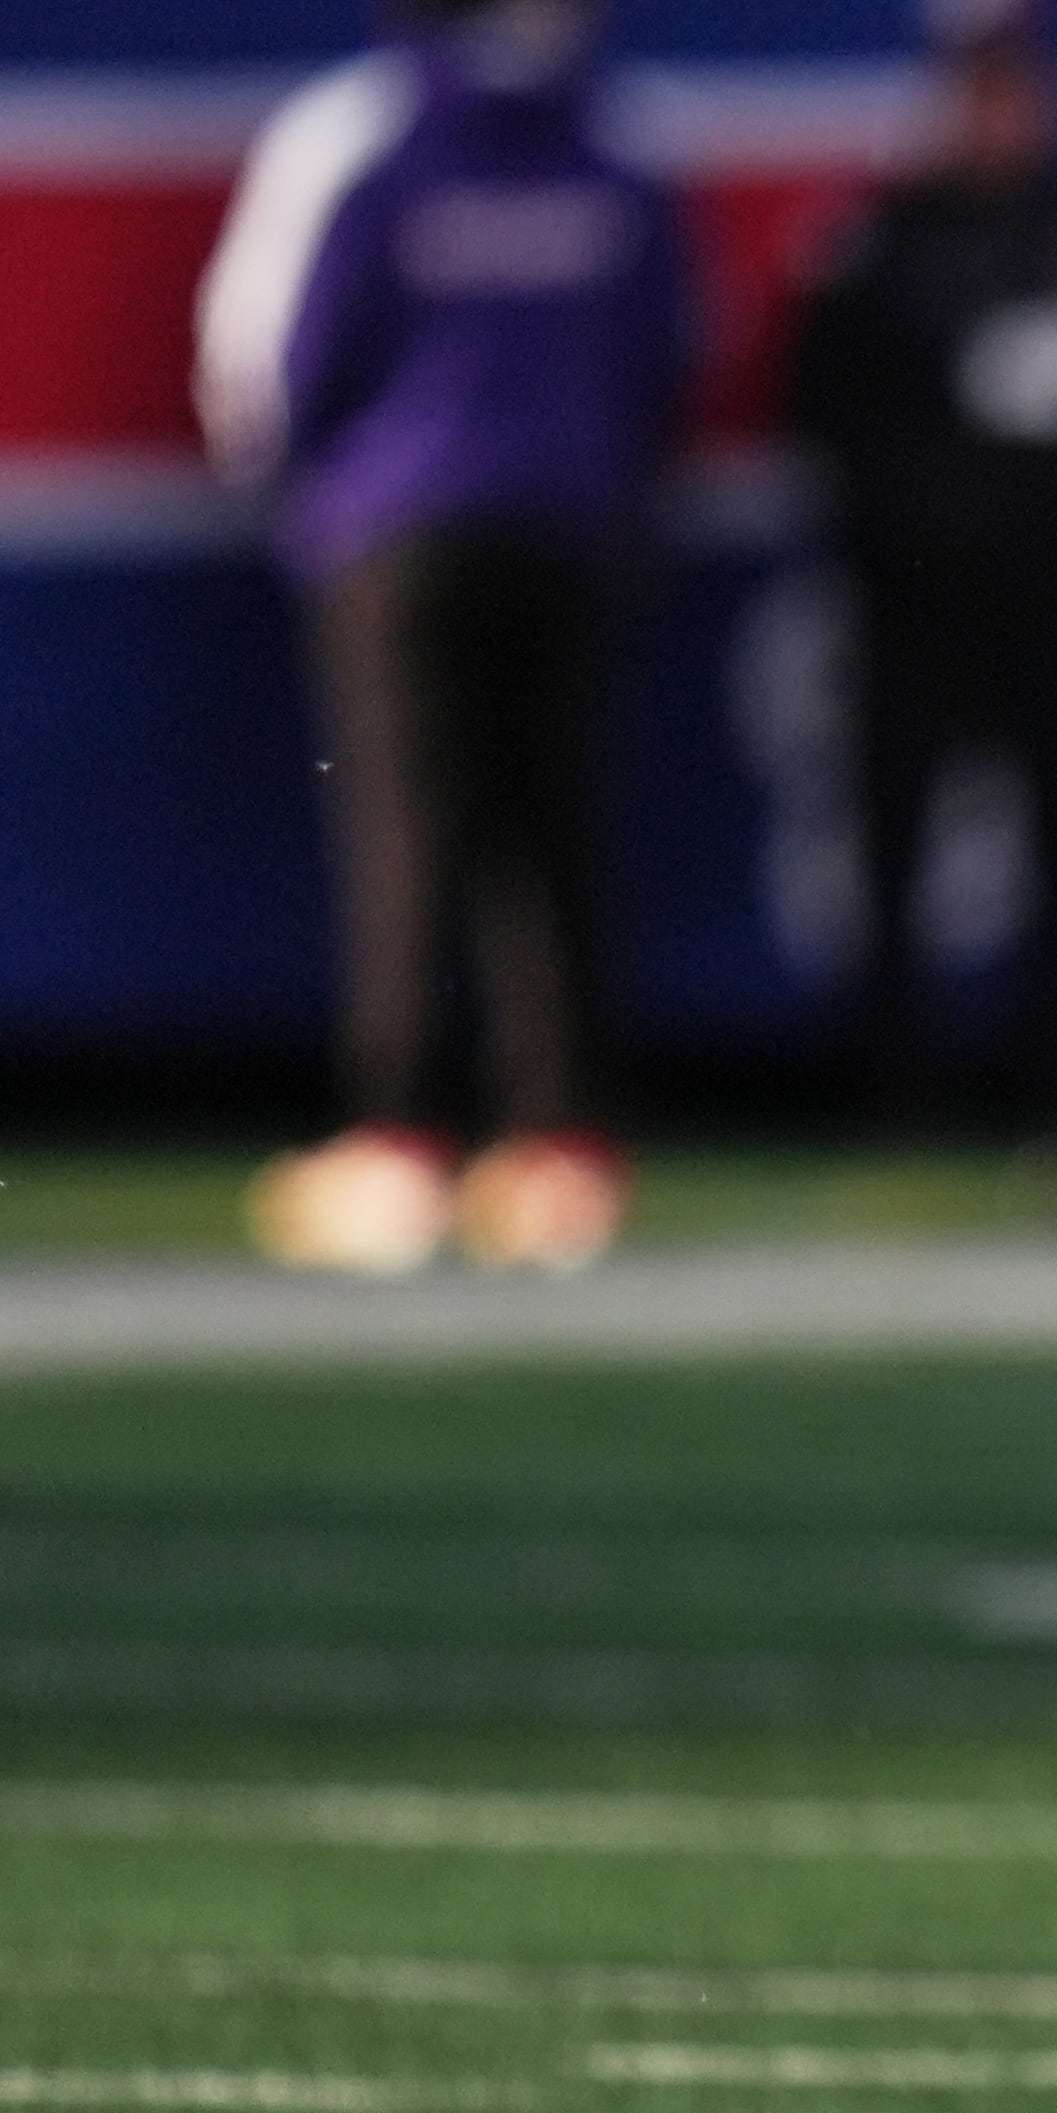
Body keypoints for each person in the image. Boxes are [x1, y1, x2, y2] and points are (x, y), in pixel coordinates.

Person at [199, 0, 689, 1275]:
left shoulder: (352, 131)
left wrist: (326, 503)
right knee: (556, 825)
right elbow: (669, 347)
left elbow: (270, 363)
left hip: (398, 535)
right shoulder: (610, 129)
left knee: (408, 823)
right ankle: (562, 1146)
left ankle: (401, 1143)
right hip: (571, 523)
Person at [788, 0, 1057, 1129]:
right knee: (893, 837)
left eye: (1020, 94)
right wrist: (912, 521)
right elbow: (825, 413)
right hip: (916, 601)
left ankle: (1049, 1084)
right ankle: (889, 1084)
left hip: (1052, 600)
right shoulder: (886, 239)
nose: (1003, 118)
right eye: (981, 94)